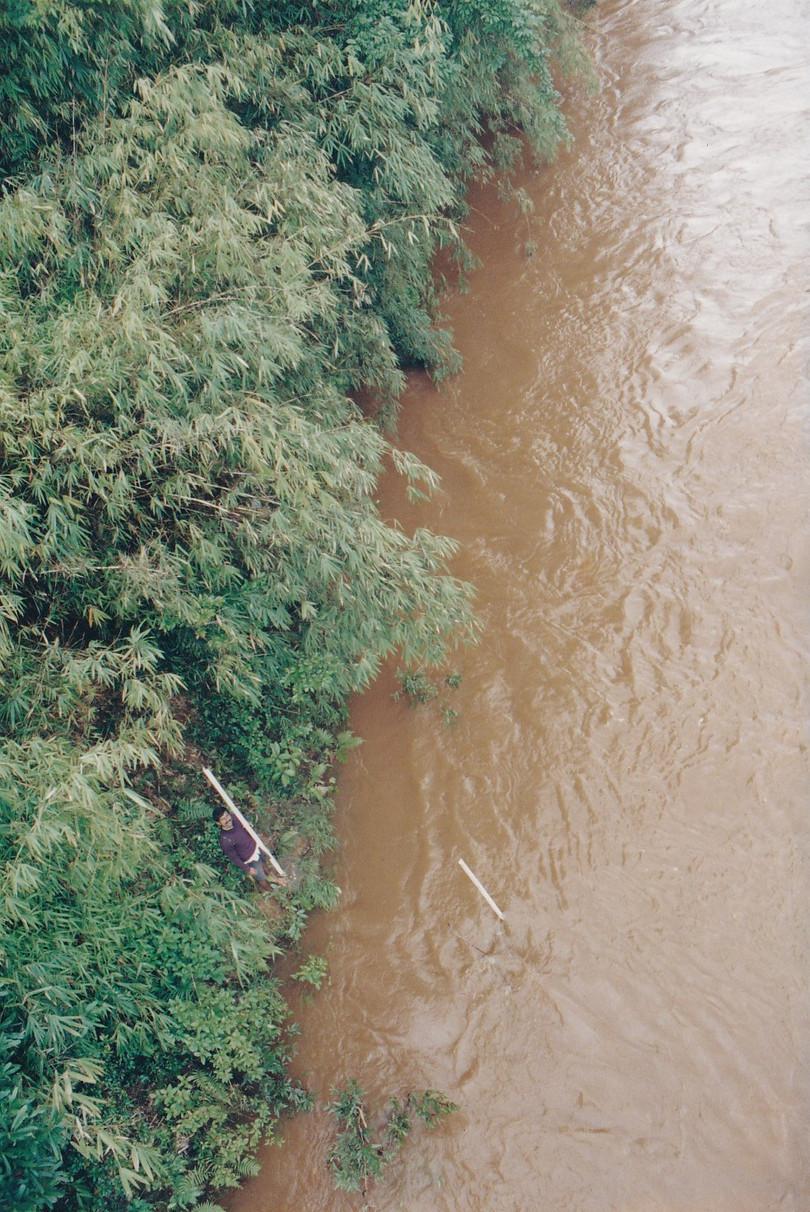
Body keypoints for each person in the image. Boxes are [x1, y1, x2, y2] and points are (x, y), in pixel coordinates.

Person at [212, 806, 285, 891]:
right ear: (218, 823)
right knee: (261, 878)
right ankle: (272, 892)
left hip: (257, 847)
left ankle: (278, 882)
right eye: (223, 819)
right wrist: (247, 868)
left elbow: (246, 823)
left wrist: (248, 824)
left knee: (266, 867)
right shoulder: (225, 840)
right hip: (250, 860)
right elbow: (234, 858)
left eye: (227, 816)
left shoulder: (235, 817)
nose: (227, 820)